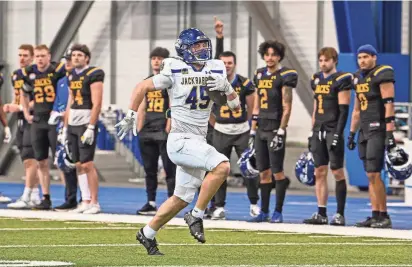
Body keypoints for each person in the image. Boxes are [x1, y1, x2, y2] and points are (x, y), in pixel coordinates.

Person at [115, 28, 240, 255]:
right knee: (222, 166)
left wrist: (227, 88)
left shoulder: (216, 67)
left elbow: (233, 107)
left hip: (198, 139)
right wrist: (131, 114)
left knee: (181, 198)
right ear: (185, 49)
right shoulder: (174, 67)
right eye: (196, 45)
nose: (202, 49)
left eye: (204, 44)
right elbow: (142, 86)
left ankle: (147, 233)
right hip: (180, 139)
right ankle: (197, 215)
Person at [249, 40, 298, 223]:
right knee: (263, 172)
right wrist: (252, 131)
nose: (270, 58)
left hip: (275, 128)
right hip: (261, 127)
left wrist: (281, 131)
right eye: (267, 54)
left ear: (279, 56)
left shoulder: (285, 75)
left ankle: (278, 211)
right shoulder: (259, 74)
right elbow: (256, 105)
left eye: (274, 55)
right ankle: (264, 211)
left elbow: (287, 106)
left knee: (277, 171)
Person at [303, 47, 351, 226]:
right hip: (319, 129)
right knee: (319, 171)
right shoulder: (316, 79)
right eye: (321, 60)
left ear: (334, 61)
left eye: (326, 60)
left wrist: (338, 133)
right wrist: (312, 130)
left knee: (337, 171)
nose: (323, 64)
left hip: (333, 129)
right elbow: (316, 106)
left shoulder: (342, 79)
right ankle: (321, 212)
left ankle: (339, 214)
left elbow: (344, 110)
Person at [348, 44, 394, 228]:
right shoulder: (358, 78)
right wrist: (351, 132)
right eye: (360, 57)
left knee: (375, 173)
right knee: (370, 175)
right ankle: (375, 214)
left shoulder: (383, 73)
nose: (362, 61)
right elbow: (357, 110)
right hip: (364, 129)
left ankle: (384, 215)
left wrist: (390, 133)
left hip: (378, 127)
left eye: (366, 57)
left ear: (374, 57)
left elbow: (389, 104)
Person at [209, 49, 259, 219]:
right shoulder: (212, 82)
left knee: (249, 168)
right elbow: (207, 108)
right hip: (221, 131)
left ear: (235, 64)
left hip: (242, 130)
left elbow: (253, 107)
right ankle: (219, 206)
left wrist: (249, 126)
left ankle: (254, 203)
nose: (227, 66)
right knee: (220, 170)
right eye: (223, 63)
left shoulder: (244, 83)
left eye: (229, 62)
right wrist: (217, 125)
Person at [21, 44, 66, 210]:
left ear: (49, 56)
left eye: (42, 56)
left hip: (54, 119)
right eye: (37, 56)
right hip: (38, 120)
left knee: (61, 160)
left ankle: (69, 197)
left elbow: (66, 90)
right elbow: (24, 93)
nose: (40, 59)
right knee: (40, 160)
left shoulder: (57, 71)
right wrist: (26, 112)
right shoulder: (30, 73)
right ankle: (45, 197)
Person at [62, 44, 104, 214]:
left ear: (87, 57)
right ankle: (85, 200)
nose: (76, 57)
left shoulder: (94, 74)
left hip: (85, 122)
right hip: (72, 122)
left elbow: (97, 103)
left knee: (87, 164)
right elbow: (70, 102)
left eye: (80, 55)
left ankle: (94, 202)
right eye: (74, 55)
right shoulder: (71, 74)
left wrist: (91, 127)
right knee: (78, 164)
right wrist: (65, 127)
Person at [136, 47, 176, 215]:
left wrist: (169, 126)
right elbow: (142, 106)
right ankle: (151, 201)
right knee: (149, 169)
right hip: (147, 129)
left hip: (163, 128)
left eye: (159, 58)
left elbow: (173, 105)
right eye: (154, 58)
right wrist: (138, 128)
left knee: (169, 169)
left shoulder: (170, 82)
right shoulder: (147, 81)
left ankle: (171, 202)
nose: (156, 61)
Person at [50, 50, 91, 211]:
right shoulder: (62, 80)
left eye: (70, 59)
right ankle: (70, 197)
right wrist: (55, 113)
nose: (68, 62)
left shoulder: (79, 79)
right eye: (66, 59)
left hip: (76, 122)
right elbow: (59, 102)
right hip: (62, 124)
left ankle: (84, 198)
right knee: (63, 162)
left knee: (79, 161)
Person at [6, 44, 41, 209]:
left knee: (30, 158)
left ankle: (28, 195)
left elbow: (41, 98)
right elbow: (18, 97)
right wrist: (11, 106)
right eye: (19, 55)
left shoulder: (36, 75)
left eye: (25, 55)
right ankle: (34, 194)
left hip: (33, 118)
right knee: (26, 158)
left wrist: (20, 107)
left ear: (32, 57)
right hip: (21, 119)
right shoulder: (16, 75)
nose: (22, 58)